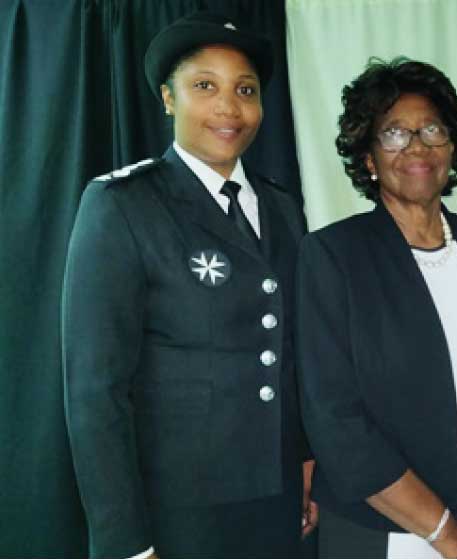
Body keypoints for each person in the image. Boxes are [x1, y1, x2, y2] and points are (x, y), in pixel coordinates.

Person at [62, 11, 315, 558]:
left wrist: (304, 462)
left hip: (274, 501)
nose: (229, 107)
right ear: (168, 98)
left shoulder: (283, 208)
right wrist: (124, 540)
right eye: (205, 86)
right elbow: (94, 390)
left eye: (245, 90)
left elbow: (289, 355)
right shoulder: (122, 204)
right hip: (174, 510)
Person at [295, 57, 457, 559]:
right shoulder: (333, 256)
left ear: (452, 145)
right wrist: (450, 537)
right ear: (368, 157)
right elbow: (335, 420)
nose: (417, 146)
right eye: (393, 134)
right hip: (380, 535)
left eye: (431, 129)